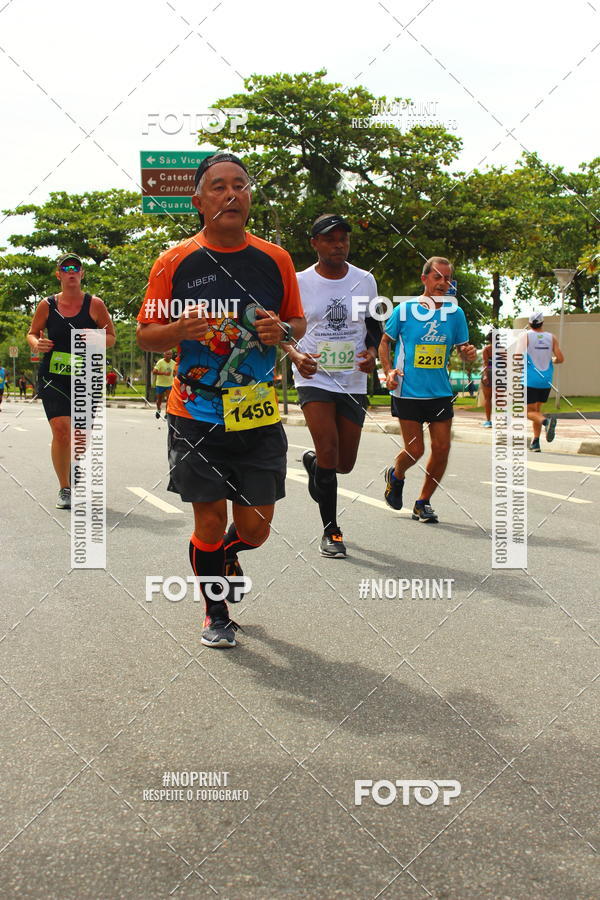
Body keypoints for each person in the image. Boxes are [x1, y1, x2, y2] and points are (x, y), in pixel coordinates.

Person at [137, 151, 305, 649]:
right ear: (198, 201)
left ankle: (231, 553)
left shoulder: (276, 259)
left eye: (240, 185)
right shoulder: (173, 262)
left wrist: (282, 330)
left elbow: (296, 322)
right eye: (218, 186)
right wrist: (177, 330)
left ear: (249, 196)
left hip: (255, 409)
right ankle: (215, 612)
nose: (231, 194)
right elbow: (146, 334)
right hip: (195, 412)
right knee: (208, 521)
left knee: (256, 528)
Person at [288, 214, 380, 558]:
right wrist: (295, 355)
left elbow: (374, 326)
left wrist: (372, 353)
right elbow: (282, 328)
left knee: (344, 463)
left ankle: (315, 466)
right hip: (313, 376)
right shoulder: (299, 282)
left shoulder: (365, 280)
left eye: (343, 239)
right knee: (328, 448)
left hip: (352, 379)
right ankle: (332, 531)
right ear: (315, 243)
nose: (338, 245)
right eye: (330, 239)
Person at [379, 256, 476, 523]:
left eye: (447, 278)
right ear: (424, 279)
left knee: (442, 448)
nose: (443, 283)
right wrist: (388, 371)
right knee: (415, 450)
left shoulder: (455, 314)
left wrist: (468, 353)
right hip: (408, 390)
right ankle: (396, 474)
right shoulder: (405, 310)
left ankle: (423, 502)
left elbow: (463, 350)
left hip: (440, 391)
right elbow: (385, 342)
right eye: (437, 277)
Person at [27, 254, 116, 509]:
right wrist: (37, 343)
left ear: (82, 273)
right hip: (53, 375)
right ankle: (65, 488)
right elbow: (32, 333)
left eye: (76, 268)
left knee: (80, 436)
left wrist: (96, 338)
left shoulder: (95, 304)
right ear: (59, 275)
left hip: (87, 376)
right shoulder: (47, 305)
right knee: (61, 430)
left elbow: (111, 338)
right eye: (66, 268)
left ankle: (74, 465)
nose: (71, 271)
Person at [524, 311, 563, 452]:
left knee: (528, 412)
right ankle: (535, 442)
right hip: (546, 381)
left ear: (529, 323)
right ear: (542, 323)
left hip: (530, 380)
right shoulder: (551, 337)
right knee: (537, 411)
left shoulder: (525, 336)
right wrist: (552, 359)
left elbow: (516, 356)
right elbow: (560, 358)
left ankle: (546, 421)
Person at [152, 349, 175, 418]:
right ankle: (158, 410)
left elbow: (175, 373)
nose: (169, 356)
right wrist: (164, 373)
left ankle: (167, 413)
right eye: (167, 354)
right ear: (164, 355)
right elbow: (154, 372)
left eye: (170, 354)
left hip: (170, 384)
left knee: (169, 399)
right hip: (160, 384)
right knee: (159, 400)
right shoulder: (160, 362)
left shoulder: (174, 363)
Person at [480, 332, 492, 427]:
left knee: (488, 398)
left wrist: (485, 375)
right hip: (501, 374)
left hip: (489, 373)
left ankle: (488, 421)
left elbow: (485, 363)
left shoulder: (487, 349)